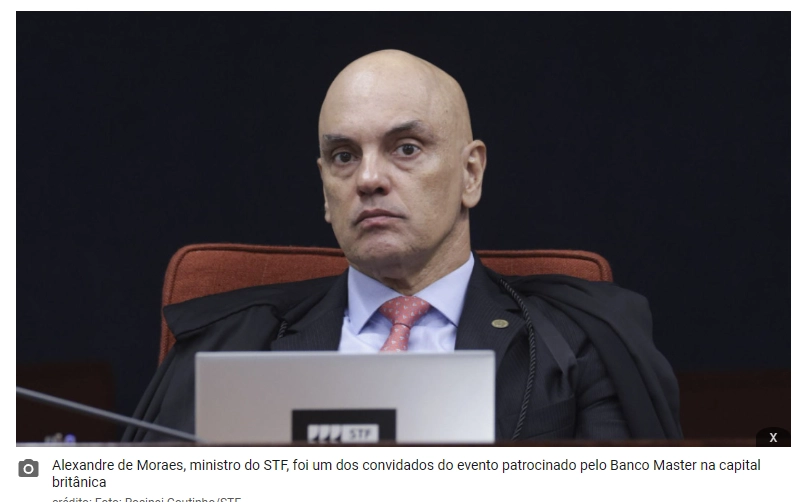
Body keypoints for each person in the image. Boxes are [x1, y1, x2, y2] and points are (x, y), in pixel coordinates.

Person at [125, 50, 681, 442]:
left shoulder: (582, 341)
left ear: (470, 174)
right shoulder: (226, 347)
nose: (368, 179)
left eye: (406, 148)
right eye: (344, 156)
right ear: (324, 190)